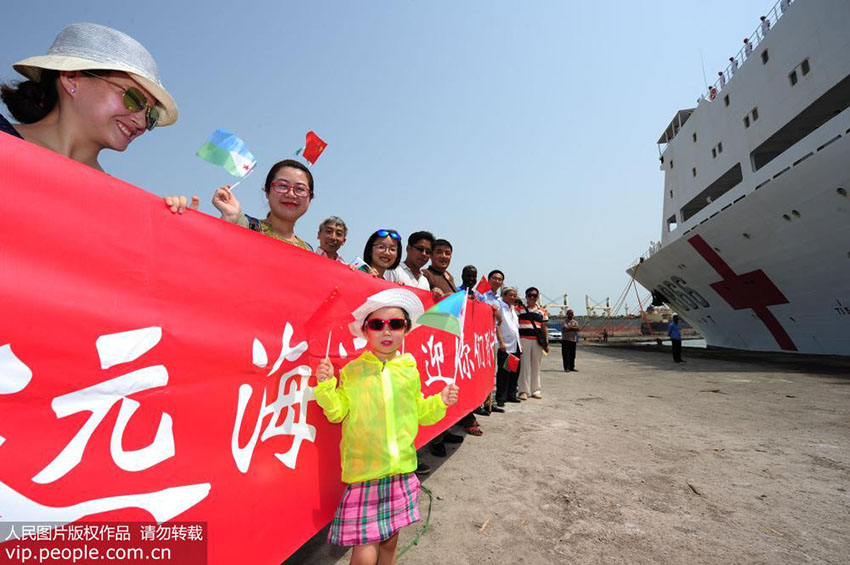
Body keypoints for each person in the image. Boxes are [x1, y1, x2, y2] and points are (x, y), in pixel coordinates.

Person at [314, 288, 459, 563]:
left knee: (390, 543)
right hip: (366, 473)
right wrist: (325, 385)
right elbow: (336, 412)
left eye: (395, 324)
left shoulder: (408, 368)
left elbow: (421, 412)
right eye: (377, 324)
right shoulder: (353, 371)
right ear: (366, 331)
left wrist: (440, 401)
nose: (386, 331)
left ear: (405, 329)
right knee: (365, 550)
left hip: (401, 470)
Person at [0, 23, 197, 214]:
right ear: (71, 79)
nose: (142, 122)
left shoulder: (118, 204)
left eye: (150, 115)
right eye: (133, 98)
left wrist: (184, 228)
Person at [212, 159, 314, 250]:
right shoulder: (245, 225)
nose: (291, 194)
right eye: (282, 186)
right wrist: (229, 219)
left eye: (300, 189)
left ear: (310, 198)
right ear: (267, 191)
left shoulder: (308, 250)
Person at [517, 287, 548, 400]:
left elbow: (544, 327)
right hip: (524, 339)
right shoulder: (519, 309)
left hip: (537, 341)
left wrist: (546, 342)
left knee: (536, 366)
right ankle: (523, 391)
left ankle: (536, 390)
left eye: (535, 296)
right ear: (526, 296)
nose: (532, 297)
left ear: (538, 297)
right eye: (530, 295)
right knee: (524, 366)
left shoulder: (542, 311)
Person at [496, 286, 522, 406]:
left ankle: (511, 394)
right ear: (504, 295)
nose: (512, 297)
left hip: (515, 344)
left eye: (514, 295)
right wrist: (501, 342)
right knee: (503, 372)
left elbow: (515, 329)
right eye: (510, 295)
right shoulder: (500, 306)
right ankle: (501, 397)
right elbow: (497, 325)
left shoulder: (513, 309)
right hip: (505, 345)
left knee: (514, 371)